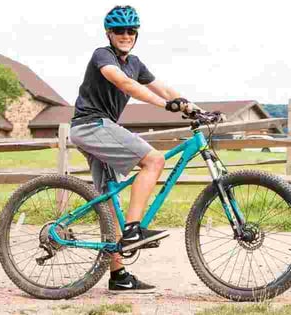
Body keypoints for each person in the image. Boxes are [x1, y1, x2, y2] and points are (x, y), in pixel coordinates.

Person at [70, 5, 202, 293]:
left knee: (109, 202)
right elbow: (124, 83)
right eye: (119, 30)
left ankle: (118, 276)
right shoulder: (102, 55)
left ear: (136, 34)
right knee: (153, 160)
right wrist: (165, 106)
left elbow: (163, 87)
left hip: (97, 129)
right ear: (109, 33)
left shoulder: (136, 62)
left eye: (131, 31)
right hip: (91, 125)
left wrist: (191, 106)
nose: (125, 35)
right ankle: (133, 230)